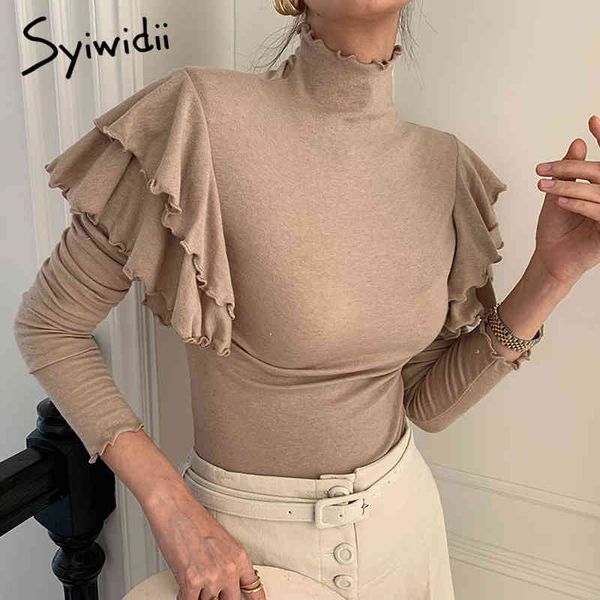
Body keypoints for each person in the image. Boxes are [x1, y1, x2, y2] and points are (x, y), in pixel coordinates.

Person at [13, 0, 600, 598]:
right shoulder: (199, 119)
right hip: (244, 555)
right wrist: (173, 508)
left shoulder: (444, 167)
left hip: (406, 535)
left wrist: (555, 272)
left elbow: (426, 405)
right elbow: (50, 327)